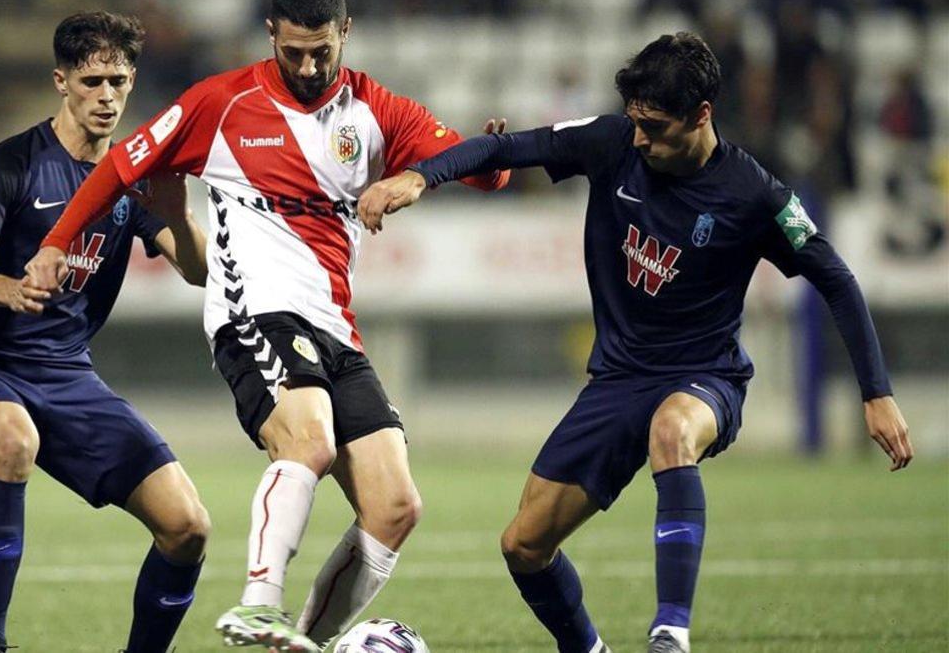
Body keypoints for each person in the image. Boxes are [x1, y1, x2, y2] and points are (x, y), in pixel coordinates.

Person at [357, 32, 914, 653]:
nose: (640, 138)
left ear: (701, 115)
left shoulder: (756, 195)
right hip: (619, 381)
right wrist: (419, 179)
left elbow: (835, 279)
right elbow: (506, 146)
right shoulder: (613, 142)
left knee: (671, 433)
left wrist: (876, 392)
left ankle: (670, 634)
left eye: (654, 125)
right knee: (524, 546)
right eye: (635, 122)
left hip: (707, 377)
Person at [24, 0, 509, 650]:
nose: (308, 68)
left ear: (346, 33)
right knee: (309, 440)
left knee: (397, 506)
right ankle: (259, 602)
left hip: (337, 327)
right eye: (294, 53)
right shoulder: (221, 103)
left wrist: (487, 159)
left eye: (322, 53)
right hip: (254, 310)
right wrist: (55, 245)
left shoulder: (376, 109)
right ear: (271, 34)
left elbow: (483, 169)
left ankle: (299, 641)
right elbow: (122, 167)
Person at [0, 12, 210, 653]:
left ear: (132, 81)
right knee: (12, 439)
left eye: (118, 80)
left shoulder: (134, 178)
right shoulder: (12, 163)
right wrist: (13, 289)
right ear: (62, 82)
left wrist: (179, 216)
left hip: (65, 374)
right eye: (92, 82)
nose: (107, 96)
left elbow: (196, 273)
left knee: (187, 525)